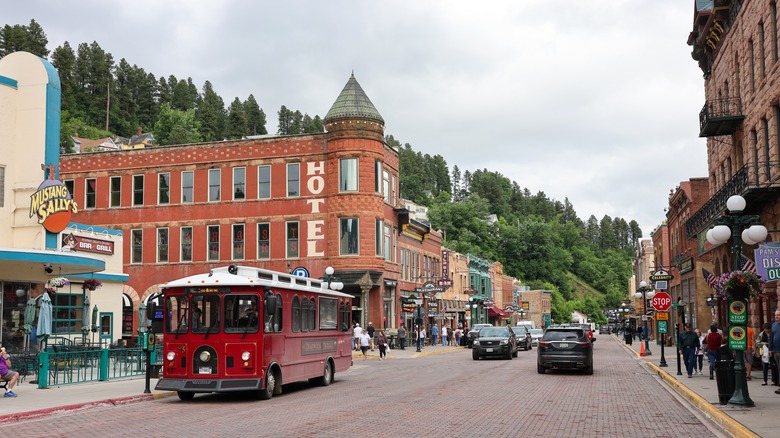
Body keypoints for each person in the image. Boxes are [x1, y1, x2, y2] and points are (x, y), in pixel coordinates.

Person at [770, 309, 780, 394]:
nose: (776, 317)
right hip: (776, 351)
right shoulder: (774, 325)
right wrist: (770, 349)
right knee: (779, 368)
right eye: (776, 315)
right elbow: (771, 338)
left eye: (778, 315)